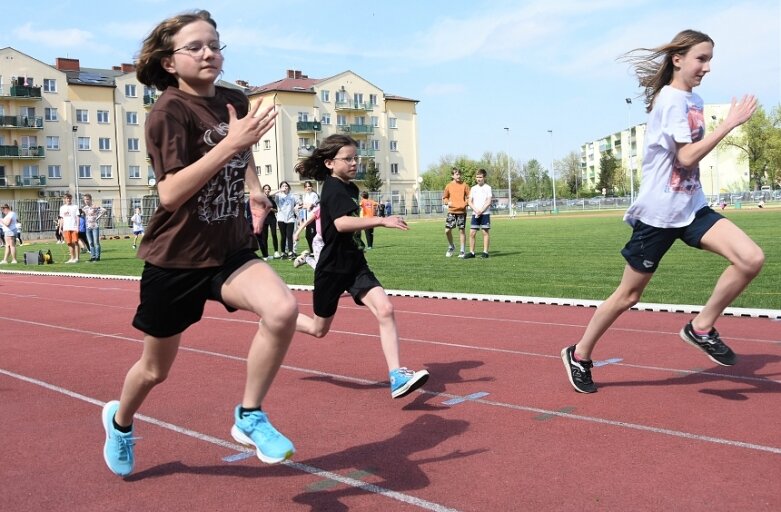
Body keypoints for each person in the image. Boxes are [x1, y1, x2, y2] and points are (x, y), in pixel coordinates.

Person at [101, 9, 297, 478]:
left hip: (228, 248)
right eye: (196, 47)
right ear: (170, 62)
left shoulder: (233, 99)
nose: (209, 53)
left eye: (215, 44)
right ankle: (121, 422)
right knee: (154, 371)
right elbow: (169, 193)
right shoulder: (167, 112)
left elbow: (243, 147)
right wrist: (228, 146)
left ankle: (249, 415)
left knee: (283, 310)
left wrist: (252, 187)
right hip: (176, 259)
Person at [561, 29, 764, 394]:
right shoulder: (670, 101)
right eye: (701, 59)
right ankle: (580, 354)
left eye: (709, 60)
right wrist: (729, 124)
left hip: (692, 206)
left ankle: (700, 327)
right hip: (659, 215)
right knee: (628, 296)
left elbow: (689, 159)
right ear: (678, 59)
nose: (707, 67)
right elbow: (685, 156)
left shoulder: (694, 100)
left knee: (750, 259)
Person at [294, 134, 429, 399]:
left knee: (385, 309)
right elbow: (341, 224)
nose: (355, 163)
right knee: (318, 329)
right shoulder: (332, 188)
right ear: (330, 163)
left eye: (356, 157)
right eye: (348, 158)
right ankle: (279, 320)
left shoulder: (351, 188)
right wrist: (380, 221)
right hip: (331, 269)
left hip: (355, 264)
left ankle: (396, 376)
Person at [464, 168, 492, 259]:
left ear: (484, 177)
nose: (478, 179)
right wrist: (476, 210)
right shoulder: (473, 188)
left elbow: (488, 201)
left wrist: (481, 210)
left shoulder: (488, 188)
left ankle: (485, 252)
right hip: (475, 213)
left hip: (485, 214)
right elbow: (469, 202)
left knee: (485, 232)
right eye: (477, 177)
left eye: (480, 177)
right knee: (472, 233)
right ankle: (472, 253)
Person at [442, 167, 470, 258]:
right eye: (457, 174)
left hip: (461, 211)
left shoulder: (465, 185)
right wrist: (447, 202)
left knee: (461, 231)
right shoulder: (448, 186)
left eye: (459, 174)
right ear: (452, 175)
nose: (459, 176)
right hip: (452, 211)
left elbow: (469, 197)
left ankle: (462, 250)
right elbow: (445, 197)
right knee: (447, 230)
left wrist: (465, 203)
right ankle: (451, 246)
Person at [292, 204, 321, 269]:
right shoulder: (320, 208)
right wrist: (297, 233)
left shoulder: (337, 208)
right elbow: (307, 221)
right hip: (319, 241)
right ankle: (307, 259)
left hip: (331, 240)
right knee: (320, 267)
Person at [273, 181, 297, 259]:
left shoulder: (292, 196)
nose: (285, 187)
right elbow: (269, 195)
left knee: (289, 236)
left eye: (286, 186)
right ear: (281, 187)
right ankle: (283, 252)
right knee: (283, 236)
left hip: (290, 218)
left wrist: (297, 206)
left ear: (288, 187)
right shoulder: (278, 196)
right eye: (283, 186)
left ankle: (290, 252)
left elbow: (299, 203)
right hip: (281, 218)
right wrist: (279, 190)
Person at [82, 193, 107, 262]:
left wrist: (98, 217)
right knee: (90, 243)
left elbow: (104, 210)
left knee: (96, 242)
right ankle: (92, 257)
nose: (86, 201)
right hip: (88, 227)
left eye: (87, 199)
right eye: (85, 199)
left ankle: (97, 257)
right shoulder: (84, 208)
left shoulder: (95, 206)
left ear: (90, 199)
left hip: (95, 226)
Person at [59, 193, 80, 263]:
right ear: (64, 199)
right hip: (66, 228)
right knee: (69, 243)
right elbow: (61, 218)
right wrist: (60, 228)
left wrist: (77, 227)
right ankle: (72, 258)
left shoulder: (75, 207)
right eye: (67, 198)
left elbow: (77, 217)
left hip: (74, 227)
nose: (68, 199)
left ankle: (77, 258)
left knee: (76, 242)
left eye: (70, 198)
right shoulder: (62, 208)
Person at [259, 184, 279, 259]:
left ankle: (276, 252)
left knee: (274, 234)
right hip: (264, 219)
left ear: (270, 190)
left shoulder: (272, 200)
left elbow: (276, 210)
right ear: (263, 190)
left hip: (272, 219)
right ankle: (266, 254)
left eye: (268, 189)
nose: (267, 190)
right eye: (265, 189)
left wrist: (271, 209)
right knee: (264, 237)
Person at [300, 180, 320, 253]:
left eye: (309, 186)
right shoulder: (305, 196)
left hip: (313, 217)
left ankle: (315, 251)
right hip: (307, 218)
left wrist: (306, 205)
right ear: (304, 188)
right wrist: (305, 205)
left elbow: (310, 206)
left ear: (312, 187)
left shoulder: (314, 195)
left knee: (313, 235)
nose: (308, 188)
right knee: (307, 236)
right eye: (306, 186)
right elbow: (304, 206)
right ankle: (312, 251)